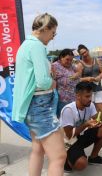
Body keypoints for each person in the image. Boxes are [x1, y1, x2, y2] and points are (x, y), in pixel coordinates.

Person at [12, 13, 66, 176]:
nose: (52, 37)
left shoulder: (25, 45)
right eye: (53, 33)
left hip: (31, 107)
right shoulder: (36, 46)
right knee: (59, 157)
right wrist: (53, 82)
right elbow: (42, 81)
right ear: (46, 28)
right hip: (40, 107)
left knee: (38, 149)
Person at [60, 81, 102, 173]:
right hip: (67, 142)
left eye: (91, 96)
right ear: (78, 96)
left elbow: (99, 123)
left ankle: (93, 157)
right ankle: (65, 159)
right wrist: (85, 124)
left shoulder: (90, 105)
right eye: (87, 96)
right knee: (81, 164)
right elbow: (68, 136)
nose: (90, 99)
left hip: (80, 136)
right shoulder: (68, 110)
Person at [52, 48, 81, 117]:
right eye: (67, 59)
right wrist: (74, 77)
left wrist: (76, 75)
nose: (69, 62)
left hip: (73, 97)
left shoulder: (71, 65)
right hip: (62, 99)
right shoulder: (55, 66)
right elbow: (63, 81)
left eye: (71, 60)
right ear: (61, 57)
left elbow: (79, 71)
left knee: (72, 119)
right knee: (63, 119)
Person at [77, 44, 102, 112]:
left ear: (88, 50)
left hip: (98, 88)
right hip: (87, 91)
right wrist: (87, 79)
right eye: (82, 54)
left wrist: (99, 77)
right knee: (90, 111)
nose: (84, 54)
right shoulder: (80, 64)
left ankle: (101, 123)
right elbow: (78, 79)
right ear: (80, 55)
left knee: (101, 109)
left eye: (85, 52)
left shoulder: (97, 60)